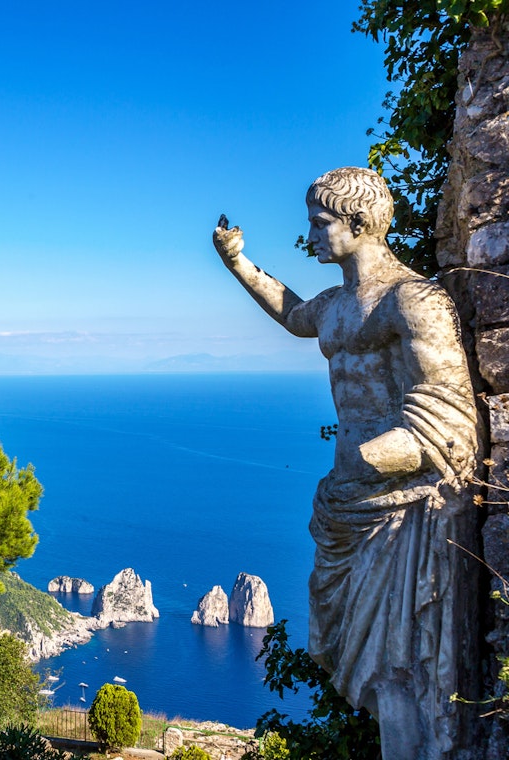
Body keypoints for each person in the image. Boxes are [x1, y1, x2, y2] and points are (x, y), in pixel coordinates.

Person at [212, 167, 477, 759]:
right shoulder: (334, 306)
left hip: (400, 505)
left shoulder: (413, 302)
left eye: (320, 222)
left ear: (358, 224)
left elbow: (452, 419)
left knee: (404, 662)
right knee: (375, 668)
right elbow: (291, 312)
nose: (310, 235)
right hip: (347, 503)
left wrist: (371, 456)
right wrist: (238, 264)